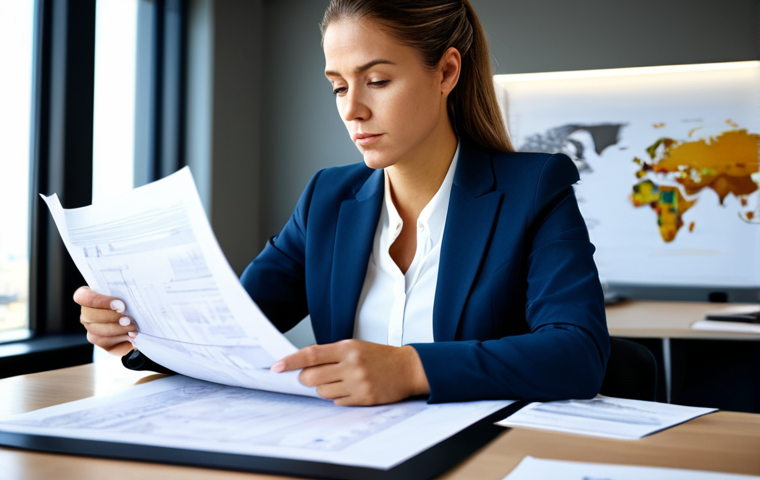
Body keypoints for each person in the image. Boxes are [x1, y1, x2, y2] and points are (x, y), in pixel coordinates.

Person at [75, 0, 610, 406]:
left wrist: (408, 369)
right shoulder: (327, 199)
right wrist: (140, 334)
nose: (353, 109)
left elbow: (576, 353)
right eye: (337, 87)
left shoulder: (535, 187)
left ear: (446, 72)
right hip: (347, 454)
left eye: (377, 80)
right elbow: (234, 330)